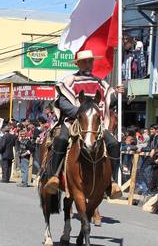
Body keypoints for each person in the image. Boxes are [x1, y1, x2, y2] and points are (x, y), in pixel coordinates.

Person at [42, 50, 124, 199]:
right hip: (73, 122)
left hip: (94, 125)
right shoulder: (70, 80)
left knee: (113, 143)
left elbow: (107, 102)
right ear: (78, 63)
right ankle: (54, 176)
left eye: (90, 61)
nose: (88, 64)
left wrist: (116, 93)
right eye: (85, 61)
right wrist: (80, 112)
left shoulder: (100, 82)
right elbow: (62, 102)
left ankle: (112, 182)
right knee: (61, 140)